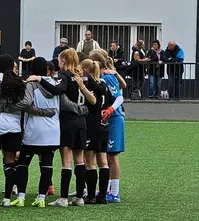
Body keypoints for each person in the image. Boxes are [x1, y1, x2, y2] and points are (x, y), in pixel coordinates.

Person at [0, 54, 56, 206]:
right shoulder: (20, 82)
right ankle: (7, 199)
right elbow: (26, 103)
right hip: (13, 127)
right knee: (9, 162)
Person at [29, 48, 96, 208]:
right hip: (82, 123)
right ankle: (80, 197)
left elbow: (57, 90)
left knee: (66, 161)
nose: (58, 63)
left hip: (68, 122)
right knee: (80, 160)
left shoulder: (65, 75)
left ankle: (64, 198)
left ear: (64, 60)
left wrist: (40, 79)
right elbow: (96, 94)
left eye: (59, 60)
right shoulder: (83, 76)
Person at [12, 57, 62, 208]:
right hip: (52, 131)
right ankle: (41, 198)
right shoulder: (56, 84)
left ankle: (21, 197)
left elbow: (26, 105)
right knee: (47, 165)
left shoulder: (30, 84)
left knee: (23, 164)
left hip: (34, 131)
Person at [89, 50, 126, 203]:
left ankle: (115, 192)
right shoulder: (101, 77)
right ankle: (108, 189)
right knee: (106, 155)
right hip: (107, 120)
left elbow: (119, 97)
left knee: (112, 155)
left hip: (115, 119)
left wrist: (111, 110)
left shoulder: (107, 76)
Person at [81, 58, 116, 203]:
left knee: (90, 163)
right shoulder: (104, 85)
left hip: (92, 126)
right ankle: (101, 196)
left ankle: (90, 196)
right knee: (103, 161)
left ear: (86, 71)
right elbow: (112, 101)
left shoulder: (90, 85)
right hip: (103, 126)